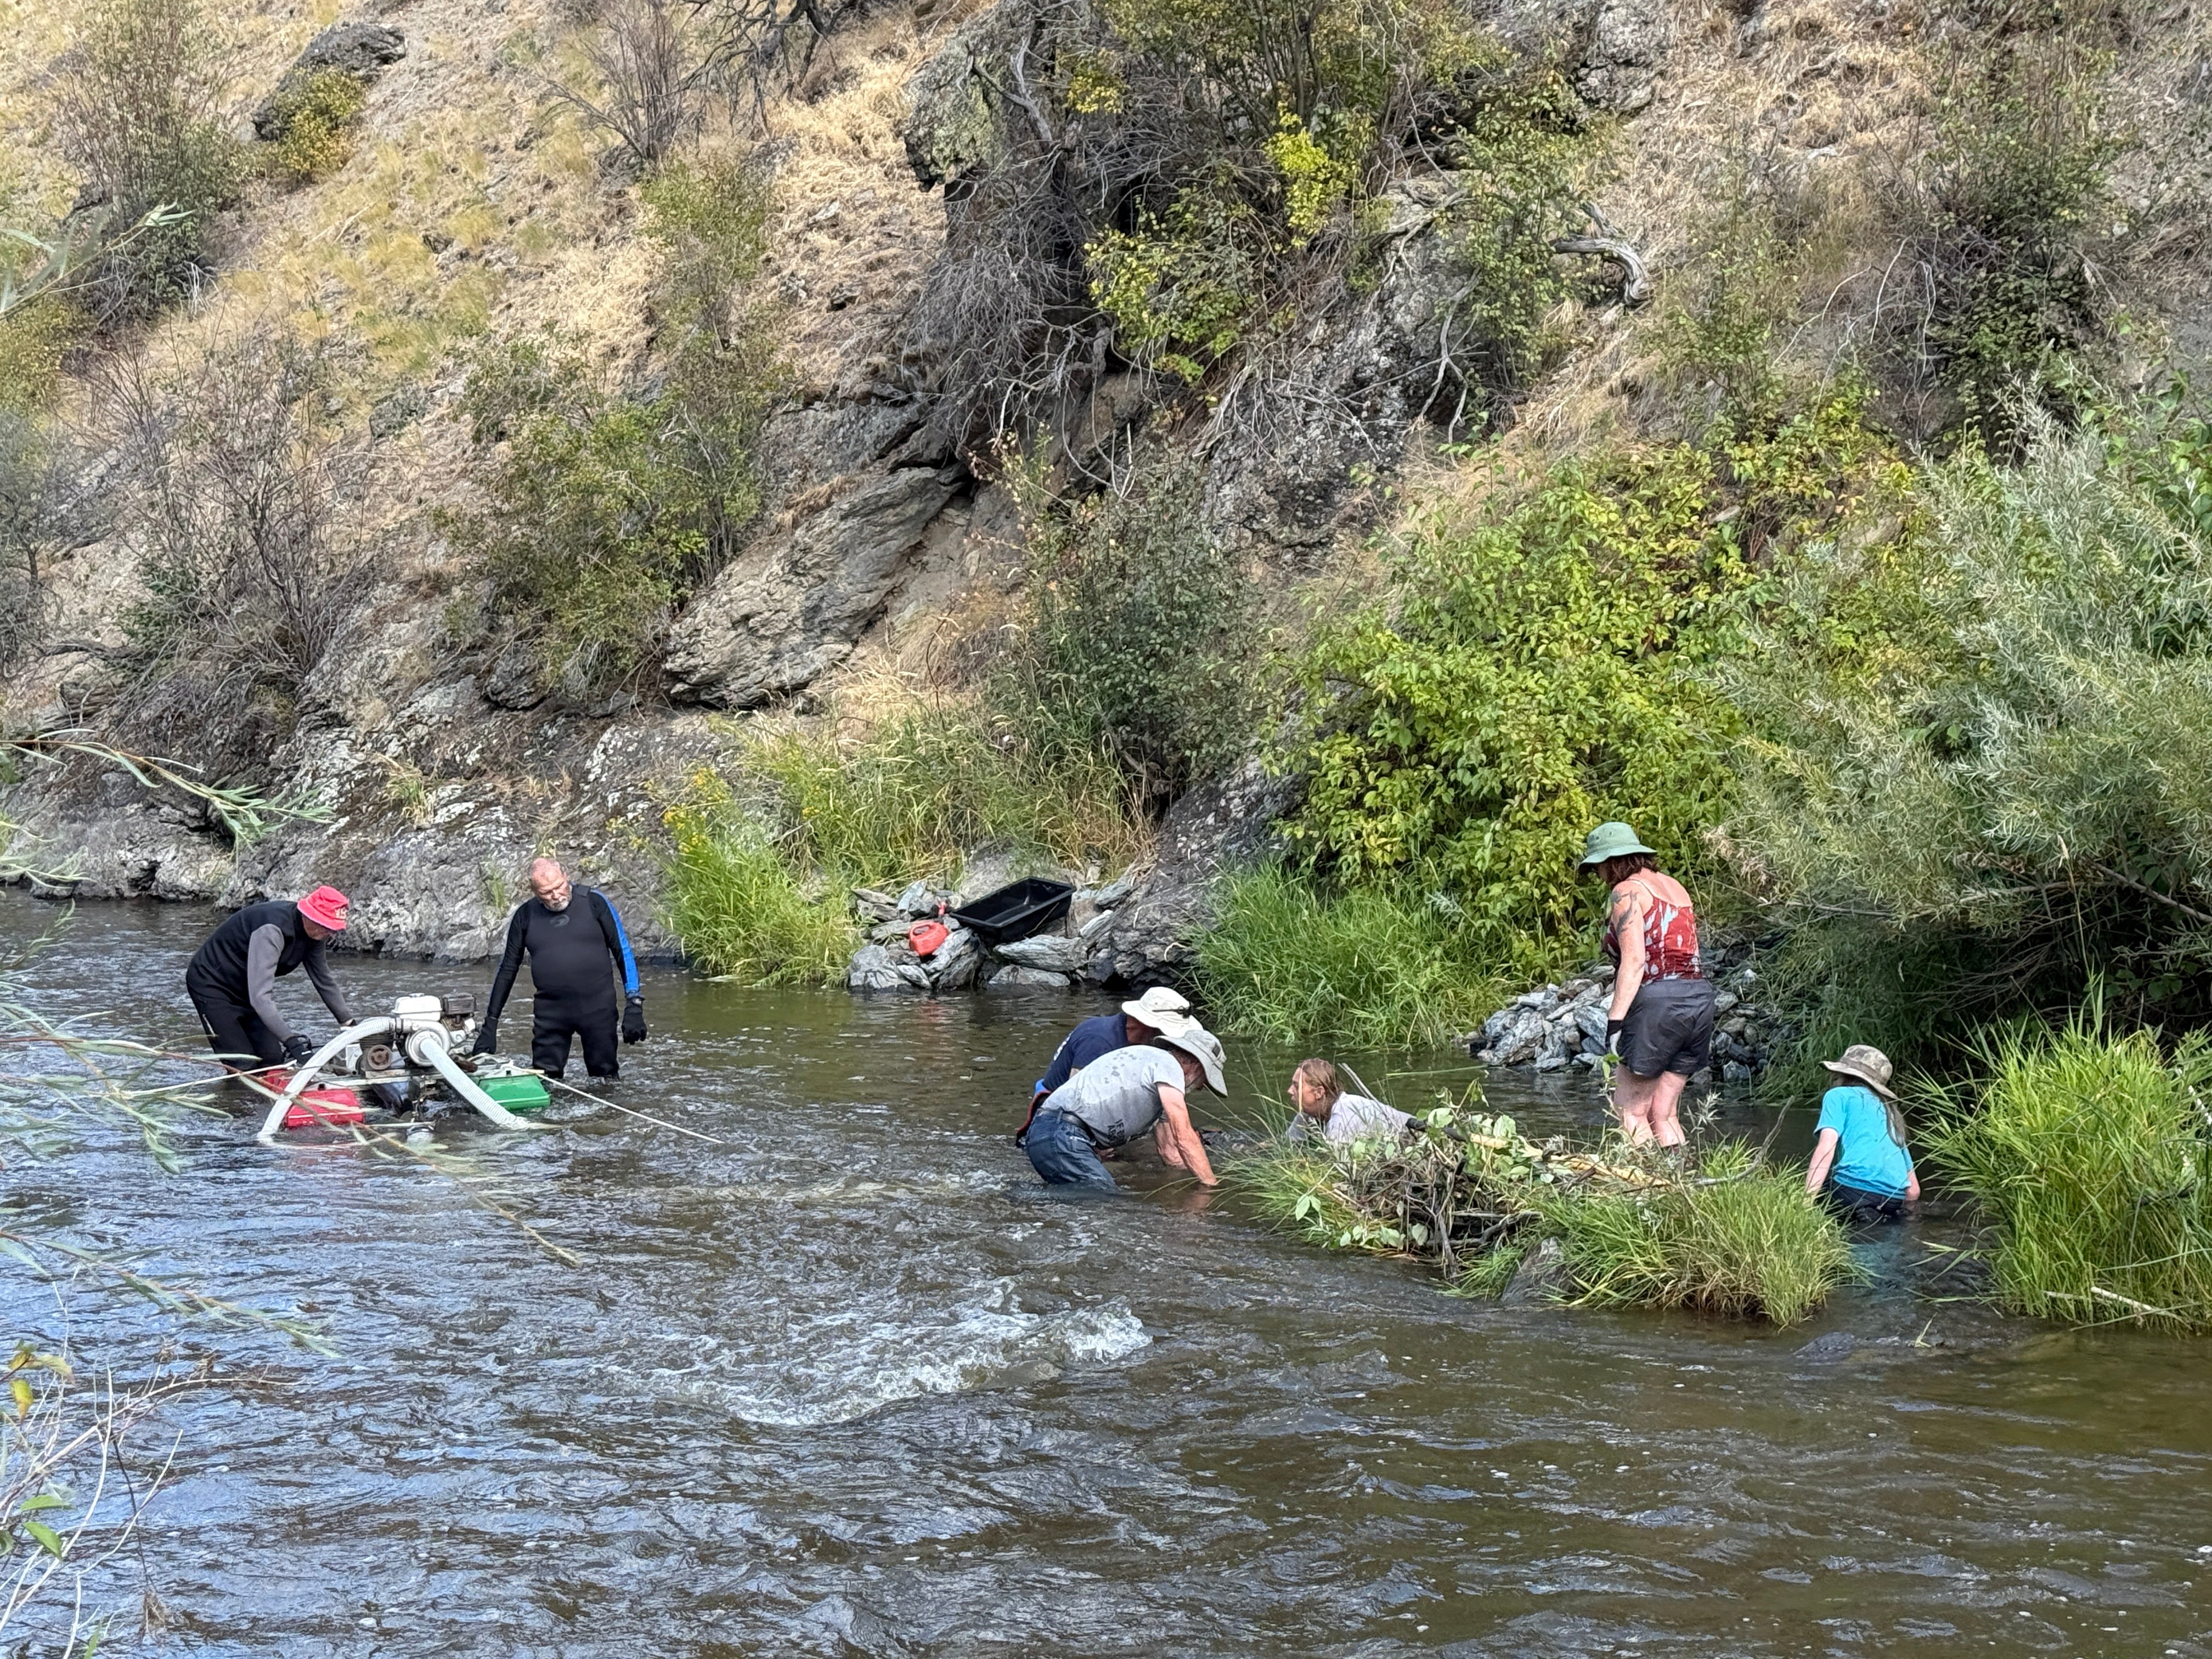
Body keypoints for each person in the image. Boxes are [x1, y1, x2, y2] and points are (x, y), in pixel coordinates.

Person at [1581, 821, 1713, 1148]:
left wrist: (1614, 1023)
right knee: (1664, 1113)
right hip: (1698, 1000)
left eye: (1597, 867)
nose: (1598, 875)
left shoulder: (1626, 892)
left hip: (1657, 1004)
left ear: (1611, 861)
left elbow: (1635, 961)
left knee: (1631, 1111)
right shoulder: (1675, 886)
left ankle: (1639, 1178)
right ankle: (1680, 1175)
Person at [473, 858, 645, 1080]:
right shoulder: (526, 915)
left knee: (605, 1078)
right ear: (534, 890)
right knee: (545, 1079)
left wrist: (634, 1003)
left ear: (566, 876)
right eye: (547, 892)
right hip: (550, 1013)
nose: (556, 895)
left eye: (559, 886)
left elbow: (623, 951)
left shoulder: (594, 902)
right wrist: (491, 1023)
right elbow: (507, 969)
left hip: (598, 1008)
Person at [1026, 1024, 1226, 1190]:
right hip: (1062, 1134)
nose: (1201, 1088)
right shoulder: (1169, 1066)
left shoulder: (1156, 1074)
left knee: (1085, 1198)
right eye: (1204, 1080)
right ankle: (1020, 1200)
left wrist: (1185, 1183)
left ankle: (1026, 1198)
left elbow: (1171, 1153)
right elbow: (1184, 1137)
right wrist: (1210, 1187)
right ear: (1195, 1065)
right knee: (1103, 1197)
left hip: (1050, 1134)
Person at [185, 886, 357, 1073]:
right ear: (309, 916)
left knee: (272, 1060)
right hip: (212, 984)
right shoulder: (272, 930)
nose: (330, 933)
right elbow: (260, 998)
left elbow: (324, 980)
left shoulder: (317, 934)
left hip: (247, 987)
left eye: (333, 928)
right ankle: (234, 1090)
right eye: (326, 926)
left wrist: (349, 1023)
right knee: (243, 1063)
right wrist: (293, 1043)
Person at [1015, 986, 1193, 1145]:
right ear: (1147, 1025)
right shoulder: (1099, 1041)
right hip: (1058, 1121)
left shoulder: (1126, 1037)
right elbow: (1078, 1101)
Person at [1804, 1044, 1920, 1217]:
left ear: (1843, 1074)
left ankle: (1862, 1212)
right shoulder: (1891, 1111)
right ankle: (1873, 1214)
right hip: (1894, 1199)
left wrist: (1806, 1203)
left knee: (1817, 1196)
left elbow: (1826, 1149)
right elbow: (1913, 1191)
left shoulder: (1838, 1096)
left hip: (1852, 1191)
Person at [1284, 1058, 1414, 1144]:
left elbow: (1333, 1165)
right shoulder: (1308, 1114)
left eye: (1296, 1086)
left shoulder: (1342, 1117)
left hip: (1415, 1136)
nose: (1290, 1091)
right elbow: (1286, 1144)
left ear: (1319, 1093)